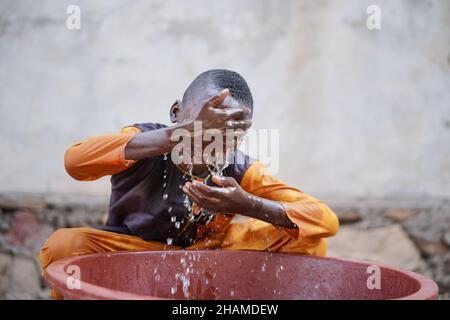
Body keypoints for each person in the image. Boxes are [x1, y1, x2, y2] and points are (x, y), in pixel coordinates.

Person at [40, 69, 339, 299]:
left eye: (225, 135)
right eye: (201, 125)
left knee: (308, 239)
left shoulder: (239, 170)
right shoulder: (144, 141)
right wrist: (174, 135)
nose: (208, 141)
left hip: (205, 265)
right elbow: (75, 162)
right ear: (176, 113)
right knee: (64, 246)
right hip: (131, 257)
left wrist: (248, 204)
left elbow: (324, 219)